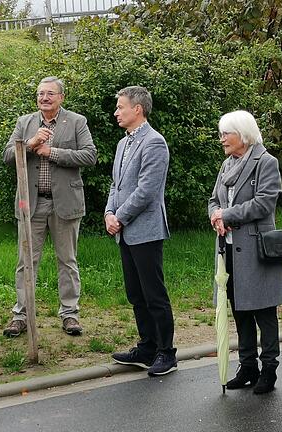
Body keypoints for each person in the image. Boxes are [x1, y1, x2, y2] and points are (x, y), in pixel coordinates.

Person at [2, 76, 97, 338]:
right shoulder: (25, 123)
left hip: (64, 204)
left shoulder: (77, 122)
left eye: (50, 94)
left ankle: (70, 314)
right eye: (40, 93)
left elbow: (90, 155)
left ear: (61, 97)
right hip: (30, 204)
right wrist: (31, 145)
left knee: (67, 260)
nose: (44, 98)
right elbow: (8, 156)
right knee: (26, 263)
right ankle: (21, 315)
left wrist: (52, 152)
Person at [208, 110, 282, 395]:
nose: (222, 140)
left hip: (257, 249)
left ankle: (269, 369)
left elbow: (265, 203)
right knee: (239, 310)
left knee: (264, 312)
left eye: (226, 134)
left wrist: (226, 215)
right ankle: (247, 366)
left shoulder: (266, 162)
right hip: (229, 250)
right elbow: (214, 199)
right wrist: (215, 216)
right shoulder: (226, 164)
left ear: (243, 134)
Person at [105, 86, 178, 376]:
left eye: (121, 107)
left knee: (153, 293)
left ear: (137, 109)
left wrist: (119, 217)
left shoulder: (154, 143)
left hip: (145, 229)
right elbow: (116, 184)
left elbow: (147, 190)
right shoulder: (123, 144)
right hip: (124, 228)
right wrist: (109, 213)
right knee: (135, 293)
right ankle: (147, 346)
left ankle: (166, 352)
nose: (116, 112)